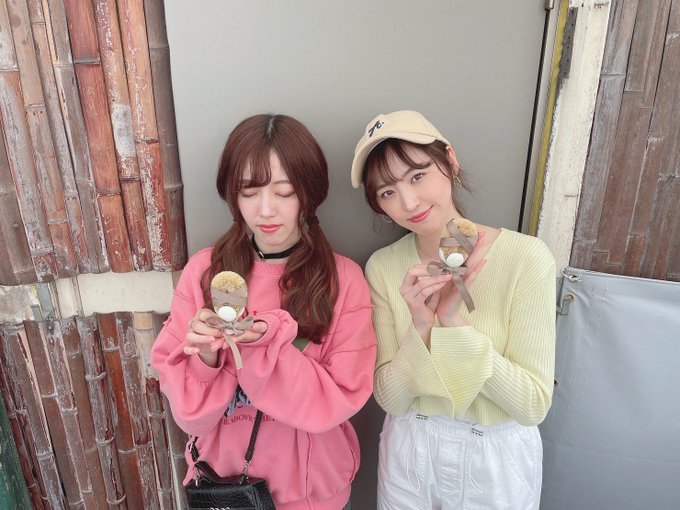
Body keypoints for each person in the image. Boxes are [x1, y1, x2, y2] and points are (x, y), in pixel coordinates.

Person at [151, 114, 377, 510]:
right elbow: (189, 416)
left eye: (285, 192)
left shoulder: (343, 279)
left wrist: (264, 342)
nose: (266, 210)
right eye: (249, 192)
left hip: (313, 496)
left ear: (309, 193)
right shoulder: (205, 272)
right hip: (225, 493)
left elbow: (338, 400)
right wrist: (205, 358)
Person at [350, 110, 556, 509]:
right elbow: (391, 399)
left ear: (449, 160)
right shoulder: (384, 266)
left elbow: (532, 404)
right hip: (410, 447)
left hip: (493, 454)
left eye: (417, 176)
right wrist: (421, 326)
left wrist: (453, 323)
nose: (409, 202)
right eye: (387, 192)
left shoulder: (525, 258)